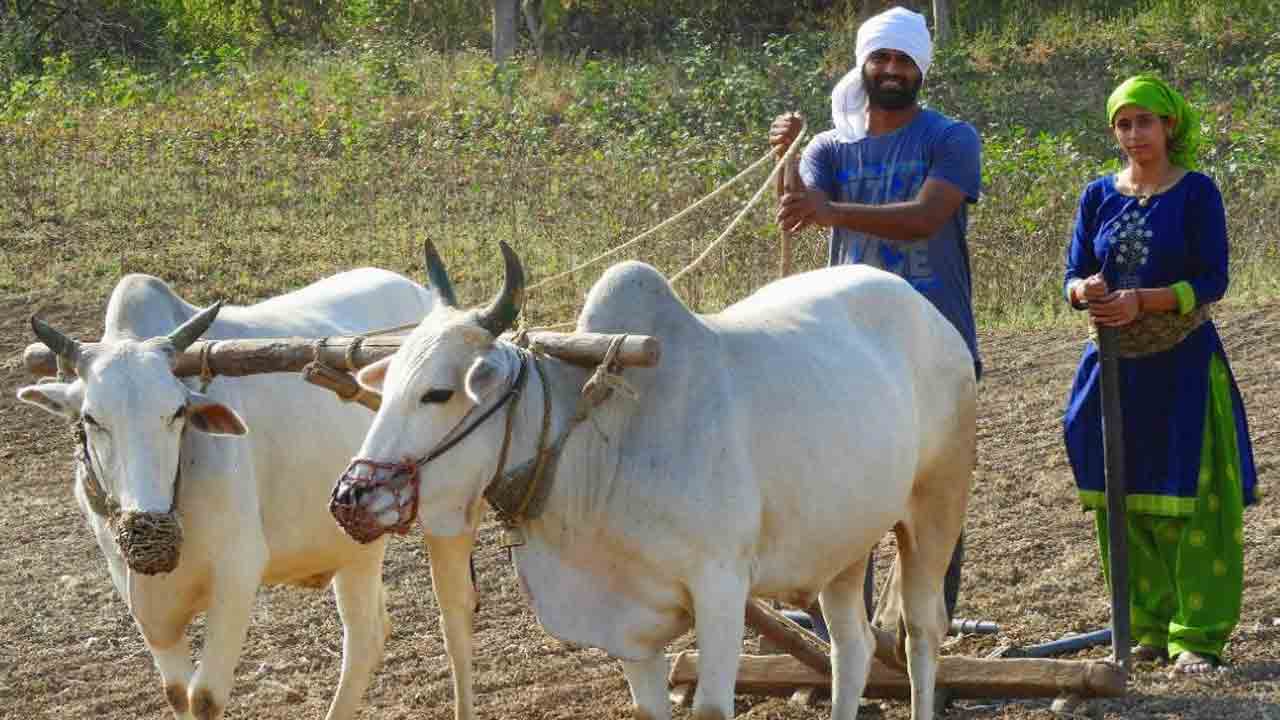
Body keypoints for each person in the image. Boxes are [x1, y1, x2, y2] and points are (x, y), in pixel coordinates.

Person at [769, 6, 982, 628]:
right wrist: (784, 157)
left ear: (921, 69)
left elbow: (924, 216)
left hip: (934, 351)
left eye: (904, 60)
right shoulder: (830, 147)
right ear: (863, 65)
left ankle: (921, 638)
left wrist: (828, 211)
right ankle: (842, 644)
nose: (891, 69)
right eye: (880, 58)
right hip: (848, 357)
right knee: (841, 500)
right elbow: (795, 206)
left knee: (932, 505)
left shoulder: (949, 138)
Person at [1063, 75, 1258, 674]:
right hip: (1115, 365)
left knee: (1191, 500)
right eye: (1123, 123)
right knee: (1121, 496)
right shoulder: (1099, 194)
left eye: (1144, 121)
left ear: (1169, 125)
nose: (1133, 134)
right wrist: (1084, 289)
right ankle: (1143, 627)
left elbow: (1212, 279)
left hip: (1183, 364)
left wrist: (1145, 300)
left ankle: (1196, 636)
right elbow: (1072, 272)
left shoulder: (1196, 193)